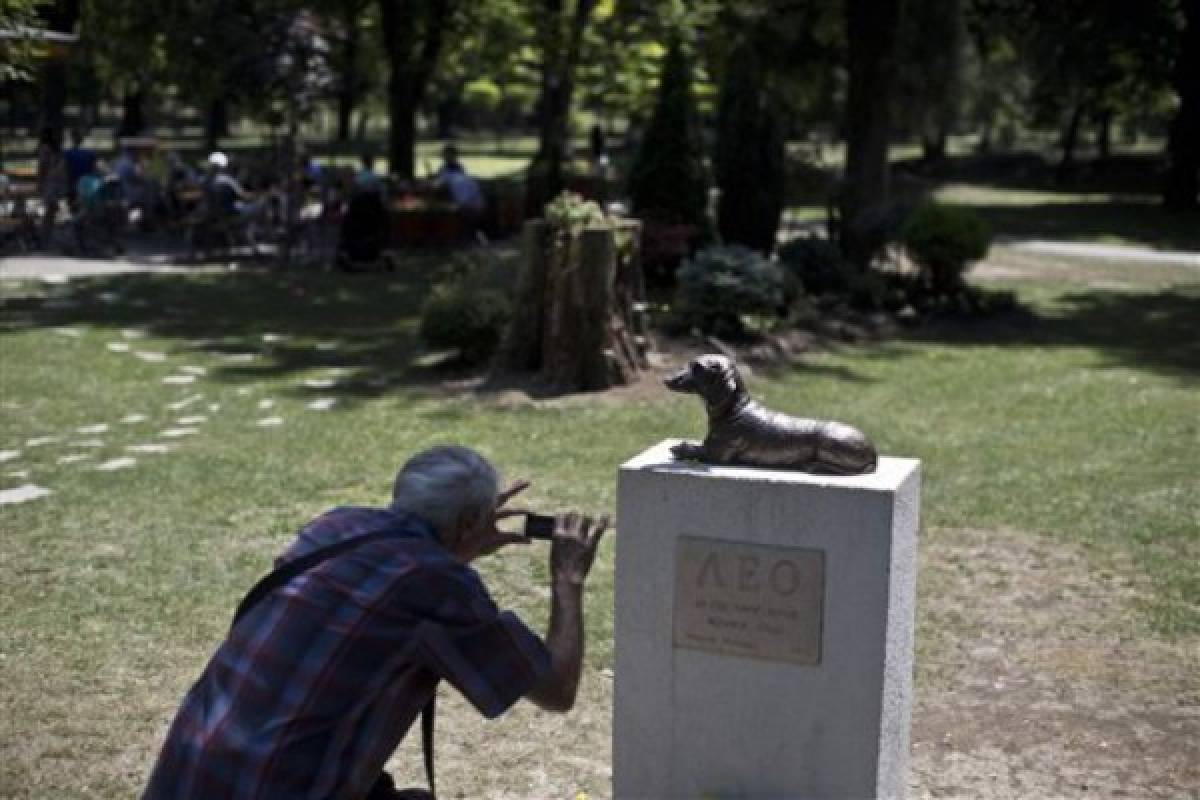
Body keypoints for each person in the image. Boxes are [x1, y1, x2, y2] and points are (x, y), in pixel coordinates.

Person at [143, 446, 608, 799]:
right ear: (470, 521)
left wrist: (459, 541)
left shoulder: (336, 526)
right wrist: (568, 580)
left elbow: (385, 588)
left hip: (186, 777)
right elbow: (556, 690)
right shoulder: (436, 585)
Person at [433, 143, 484, 215]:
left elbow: (457, 184)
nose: (447, 157)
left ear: (455, 156)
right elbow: (438, 183)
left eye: (450, 155)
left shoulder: (458, 169)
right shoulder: (442, 169)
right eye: (446, 155)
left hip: (465, 202)